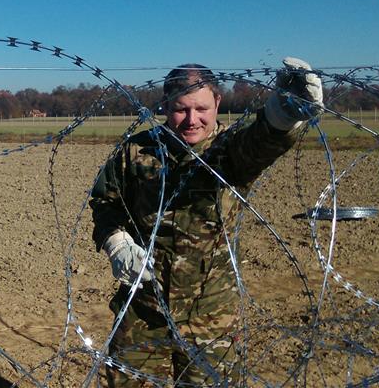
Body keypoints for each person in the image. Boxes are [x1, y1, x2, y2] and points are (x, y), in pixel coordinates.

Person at [90, 58, 323, 386]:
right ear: (165, 106)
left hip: (210, 317)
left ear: (217, 102)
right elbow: (105, 201)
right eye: (180, 109)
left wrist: (280, 116)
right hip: (142, 310)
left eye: (201, 108)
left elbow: (259, 144)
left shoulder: (228, 151)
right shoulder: (136, 151)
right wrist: (116, 241)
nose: (191, 120)